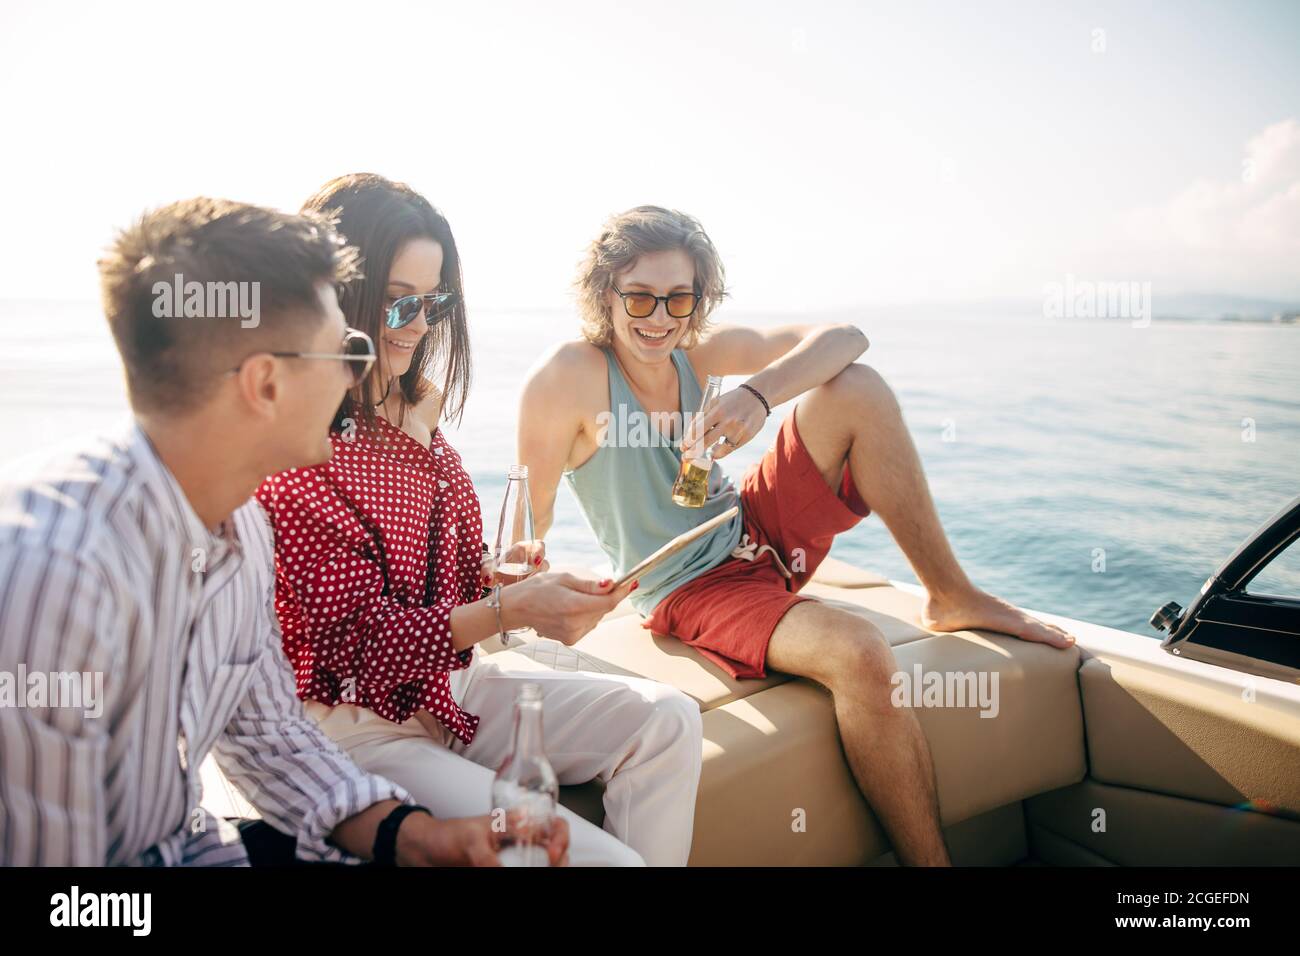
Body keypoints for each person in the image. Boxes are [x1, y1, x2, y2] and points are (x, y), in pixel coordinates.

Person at [0, 197, 567, 865]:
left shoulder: (237, 520)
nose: (362, 374)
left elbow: (269, 735)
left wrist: (417, 837)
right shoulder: (57, 573)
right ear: (266, 384)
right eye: (346, 350)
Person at [518, 205, 1080, 867]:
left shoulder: (698, 354)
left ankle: (952, 593)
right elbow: (529, 520)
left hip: (750, 530)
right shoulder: (569, 377)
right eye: (639, 296)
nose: (659, 317)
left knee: (855, 388)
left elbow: (846, 337)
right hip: (688, 586)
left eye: (679, 297)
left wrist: (757, 397)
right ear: (603, 294)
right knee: (860, 651)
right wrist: (523, 602)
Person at [255, 174, 702, 867]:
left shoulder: (417, 416)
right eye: (396, 302)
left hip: (451, 687)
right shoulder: (298, 447)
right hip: (361, 726)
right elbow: (356, 649)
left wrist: (499, 580)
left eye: (432, 303)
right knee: (614, 865)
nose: (421, 325)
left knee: (670, 719)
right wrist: (506, 611)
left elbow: (440, 586)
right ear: (336, 296)